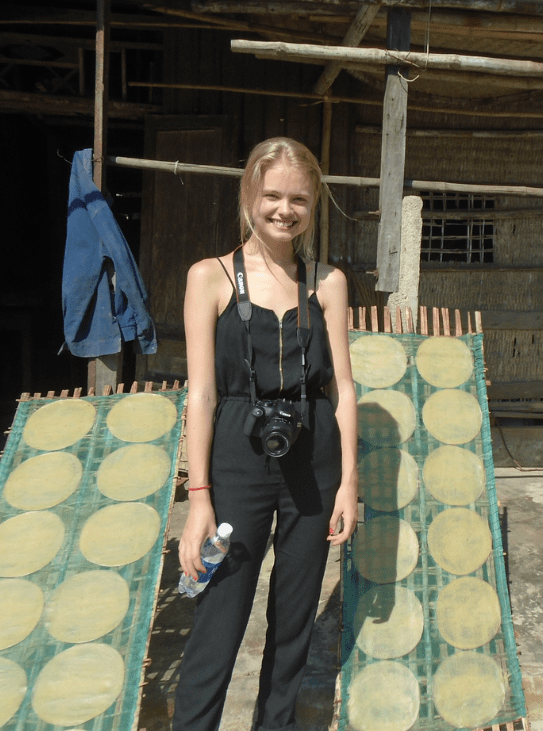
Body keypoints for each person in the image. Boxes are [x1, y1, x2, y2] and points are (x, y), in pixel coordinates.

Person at [174, 137, 358, 731]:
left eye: (298, 199)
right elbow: (200, 393)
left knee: (294, 619)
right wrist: (197, 499)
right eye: (272, 195)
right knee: (219, 615)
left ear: (313, 205)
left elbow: (344, 391)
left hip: (313, 456)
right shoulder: (210, 277)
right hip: (235, 454)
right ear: (250, 195)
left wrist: (348, 482)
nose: (285, 210)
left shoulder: (328, 282)